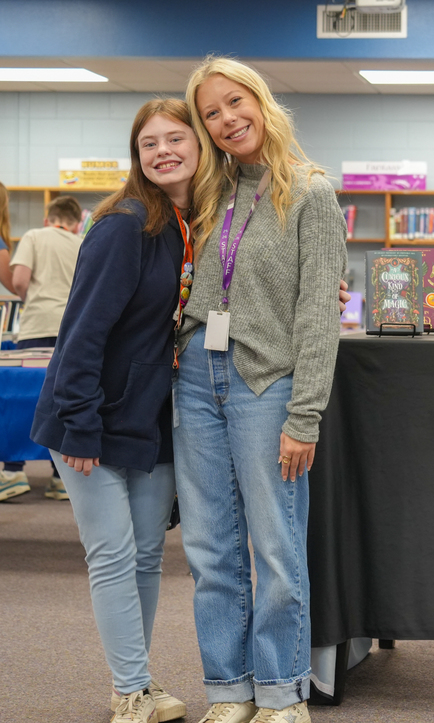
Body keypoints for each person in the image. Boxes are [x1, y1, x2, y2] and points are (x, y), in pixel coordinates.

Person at [176, 56, 347, 723]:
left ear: (260, 100)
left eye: (234, 102)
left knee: (275, 545)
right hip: (195, 377)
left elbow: (317, 312)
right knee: (210, 548)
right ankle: (228, 689)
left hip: (266, 383)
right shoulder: (206, 192)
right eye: (210, 113)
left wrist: (305, 416)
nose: (226, 119)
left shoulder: (311, 192)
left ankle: (281, 691)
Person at [29, 98, 194, 723]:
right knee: (114, 554)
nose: (162, 151)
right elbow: (81, 332)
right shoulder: (126, 224)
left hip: (151, 420)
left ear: (200, 147)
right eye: (148, 143)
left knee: (148, 555)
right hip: (89, 418)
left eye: (175, 138)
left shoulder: (194, 226)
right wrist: (79, 422)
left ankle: (139, 682)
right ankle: (130, 691)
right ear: (136, 155)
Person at [1, 195, 84, 502]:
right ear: (76, 224)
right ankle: (60, 478)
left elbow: (20, 280)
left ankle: (13, 471)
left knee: (23, 398)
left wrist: (33, 298)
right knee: (62, 400)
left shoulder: (34, 236)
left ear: (48, 219)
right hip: (72, 329)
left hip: (36, 327)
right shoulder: (82, 242)